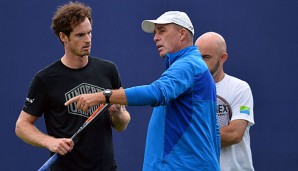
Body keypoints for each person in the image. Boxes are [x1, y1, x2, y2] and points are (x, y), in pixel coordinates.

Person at [65, 11, 220, 171]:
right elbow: (214, 131)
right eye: (155, 33)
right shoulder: (195, 67)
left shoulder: (187, 65)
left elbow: (155, 92)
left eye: (162, 31)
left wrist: (103, 96)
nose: (155, 37)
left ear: (182, 34)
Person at [15, 2, 131, 171]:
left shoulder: (109, 70)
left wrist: (119, 114)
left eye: (90, 33)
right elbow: (22, 126)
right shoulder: (45, 79)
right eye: (80, 35)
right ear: (63, 37)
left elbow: (122, 125)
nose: (88, 40)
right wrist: (50, 142)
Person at [195, 32, 255, 171]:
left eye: (206, 57)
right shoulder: (186, 90)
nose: (200, 64)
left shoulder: (240, 88)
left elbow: (234, 134)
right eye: (197, 58)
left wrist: (192, 135)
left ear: (223, 58)